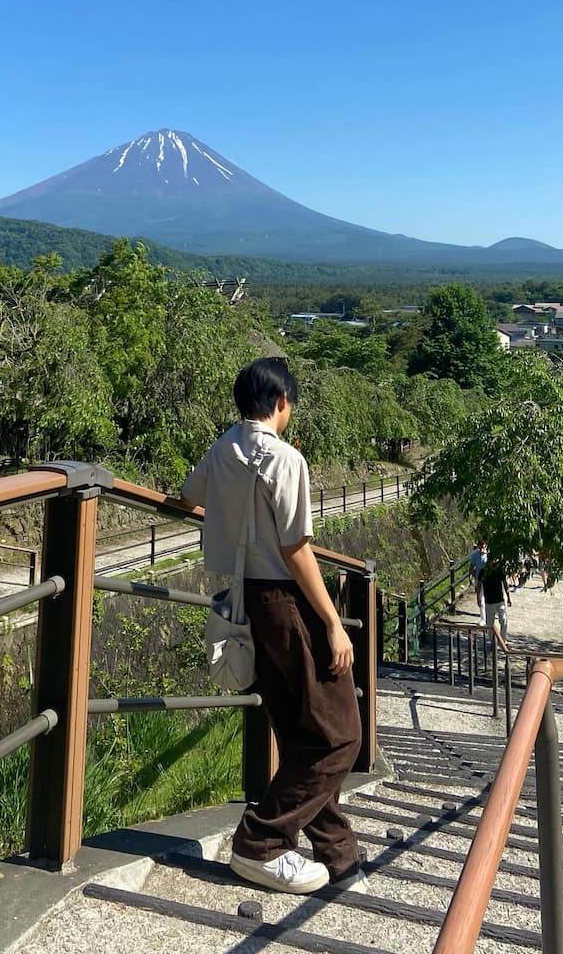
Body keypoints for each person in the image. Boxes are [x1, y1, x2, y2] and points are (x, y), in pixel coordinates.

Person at [181, 358, 366, 896]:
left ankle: (338, 853)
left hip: (247, 603)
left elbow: (189, 495)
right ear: (282, 403)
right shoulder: (286, 460)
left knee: (298, 726)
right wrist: (333, 622)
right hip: (288, 602)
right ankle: (261, 842)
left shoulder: (222, 449)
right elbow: (295, 548)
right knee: (339, 735)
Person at [481, 559, 512, 638]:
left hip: (499, 601)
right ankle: (492, 642)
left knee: (504, 621)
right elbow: (478, 584)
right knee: (490, 624)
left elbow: (505, 584)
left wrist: (508, 597)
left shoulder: (499, 571)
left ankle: (503, 641)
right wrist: (478, 597)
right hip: (489, 602)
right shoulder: (483, 571)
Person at [470, 540, 488, 624]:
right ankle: (483, 619)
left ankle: (489, 615)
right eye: (480, 547)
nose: (481, 549)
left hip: (488, 579)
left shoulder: (489, 555)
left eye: (483, 547)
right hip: (479, 578)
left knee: (488, 597)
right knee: (481, 599)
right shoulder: (475, 555)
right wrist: (472, 577)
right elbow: (472, 566)